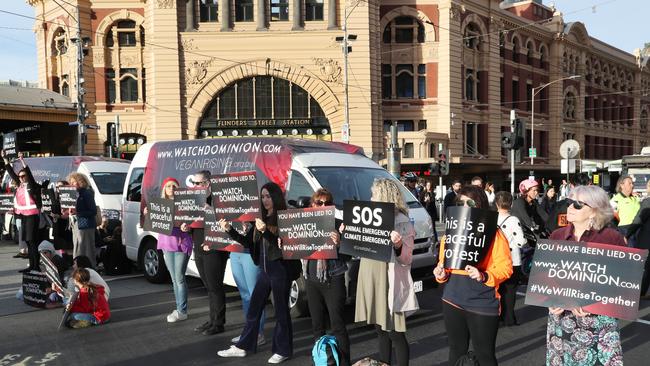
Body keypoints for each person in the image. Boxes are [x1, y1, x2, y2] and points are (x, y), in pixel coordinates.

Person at [218, 182, 298, 364]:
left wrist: (265, 231)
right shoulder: (259, 218)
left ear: (276, 197)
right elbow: (247, 242)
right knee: (254, 308)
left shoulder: (284, 218)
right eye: (262, 197)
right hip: (264, 270)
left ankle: (283, 350)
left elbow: (284, 247)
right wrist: (229, 230)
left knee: (281, 312)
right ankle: (242, 347)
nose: (265, 200)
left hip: (280, 270)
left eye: (268, 196)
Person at [433, 185, 513, 366]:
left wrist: (483, 275)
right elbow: (444, 265)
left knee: (484, 355)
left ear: (479, 204)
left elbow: (505, 268)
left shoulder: (494, 233)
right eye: (459, 202)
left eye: (468, 202)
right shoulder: (451, 230)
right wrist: (440, 273)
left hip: (482, 302)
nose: (463, 205)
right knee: (455, 351)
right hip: (452, 299)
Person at [547, 185, 626, 365]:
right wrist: (550, 300)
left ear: (594, 211)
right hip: (562, 318)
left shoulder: (611, 238)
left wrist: (594, 302)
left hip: (598, 320)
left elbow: (623, 282)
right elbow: (546, 276)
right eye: (569, 203)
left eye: (577, 204)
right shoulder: (557, 236)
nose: (569, 208)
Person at [355, 178, 418, 366]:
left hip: (389, 280)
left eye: (374, 194)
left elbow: (406, 258)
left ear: (383, 196)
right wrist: (347, 232)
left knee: (395, 333)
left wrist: (398, 244)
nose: (371, 198)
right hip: (371, 277)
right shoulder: (368, 217)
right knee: (380, 331)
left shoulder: (402, 221)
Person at [303, 188, 350, 366]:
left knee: (338, 326)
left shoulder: (339, 224)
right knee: (317, 327)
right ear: (312, 205)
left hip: (333, 280)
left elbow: (348, 256)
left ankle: (344, 363)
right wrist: (284, 242)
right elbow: (293, 249)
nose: (323, 206)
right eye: (319, 202)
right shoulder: (303, 224)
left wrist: (339, 243)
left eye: (327, 203)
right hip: (311, 280)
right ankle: (321, 362)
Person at [182, 170, 230, 336]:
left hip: (215, 247)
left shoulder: (218, 199)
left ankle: (218, 323)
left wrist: (209, 209)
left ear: (208, 184)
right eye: (193, 183)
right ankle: (212, 319)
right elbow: (191, 222)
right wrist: (186, 227)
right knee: (208, 286)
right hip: (198, 244)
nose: (194, 186)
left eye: (197, 183)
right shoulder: (193, 200)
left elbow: (225, 222)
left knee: (215, 286)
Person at [148, 177, 193, 323]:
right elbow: (153, 222)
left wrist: (188, 227)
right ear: (164, 189)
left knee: (179, 278)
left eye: (174, 186)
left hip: (181, 244)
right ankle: (179, 307)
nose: (171, 189)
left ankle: (182, 311)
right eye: (168, 186)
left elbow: (193, 221)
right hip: (167, 244)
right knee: (174, 279)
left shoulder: (185, 204)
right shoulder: (160, 205)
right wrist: (148, 213)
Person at [3, 151, 43, 272]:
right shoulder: (20, 185)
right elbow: (11, 173)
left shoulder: (32, 185)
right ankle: (31, 266)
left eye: (23, 176)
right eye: (20, 176)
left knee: (32, 241)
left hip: (32, 215)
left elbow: (29, 174)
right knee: (27, 241)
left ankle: (36, 267)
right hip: (23, 216)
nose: (21, 178)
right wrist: (4, 158)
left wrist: (22, 160)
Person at [494, 192, 527, 326]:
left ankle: (497, 315)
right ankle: (509, 318)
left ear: (496, 203)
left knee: (497, 289)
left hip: (495, 259)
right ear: (511, 204)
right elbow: (520, 242)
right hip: (511, 259)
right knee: (510, 290)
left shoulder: (491, 218)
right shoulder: (513, 220)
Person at [67, 173, 98, 268]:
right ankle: (79, 268)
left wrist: (78, 212)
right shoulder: (75, 194)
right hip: (76, 224)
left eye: (73, 182)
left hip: (85, 225)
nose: (71, 184)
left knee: (87, 249)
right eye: (70, 182)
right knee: (77, 247)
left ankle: (90, 268)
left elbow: (93, 211)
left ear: (80, 182)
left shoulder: (87, 193)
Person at [626, 180, 650, 297]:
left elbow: (638, 221)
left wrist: (626, 235)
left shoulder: (647, 202)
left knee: (643, 267)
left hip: (647, 240)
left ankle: (639, 293)